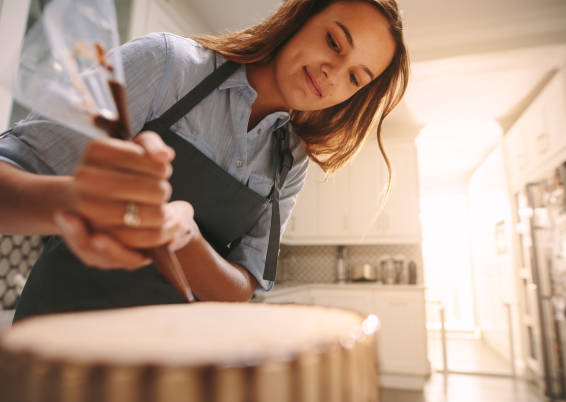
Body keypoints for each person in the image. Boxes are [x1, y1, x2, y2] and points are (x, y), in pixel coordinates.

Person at [0, 0, 409, 322]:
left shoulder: (291, 161)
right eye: (334, 42)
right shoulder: (168, 67)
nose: (333, 74)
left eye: (356, 78)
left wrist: (186, 239)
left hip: (171, 361)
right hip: (60, 337)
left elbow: (242, 287)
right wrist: (80, 200)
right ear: (301, 15)